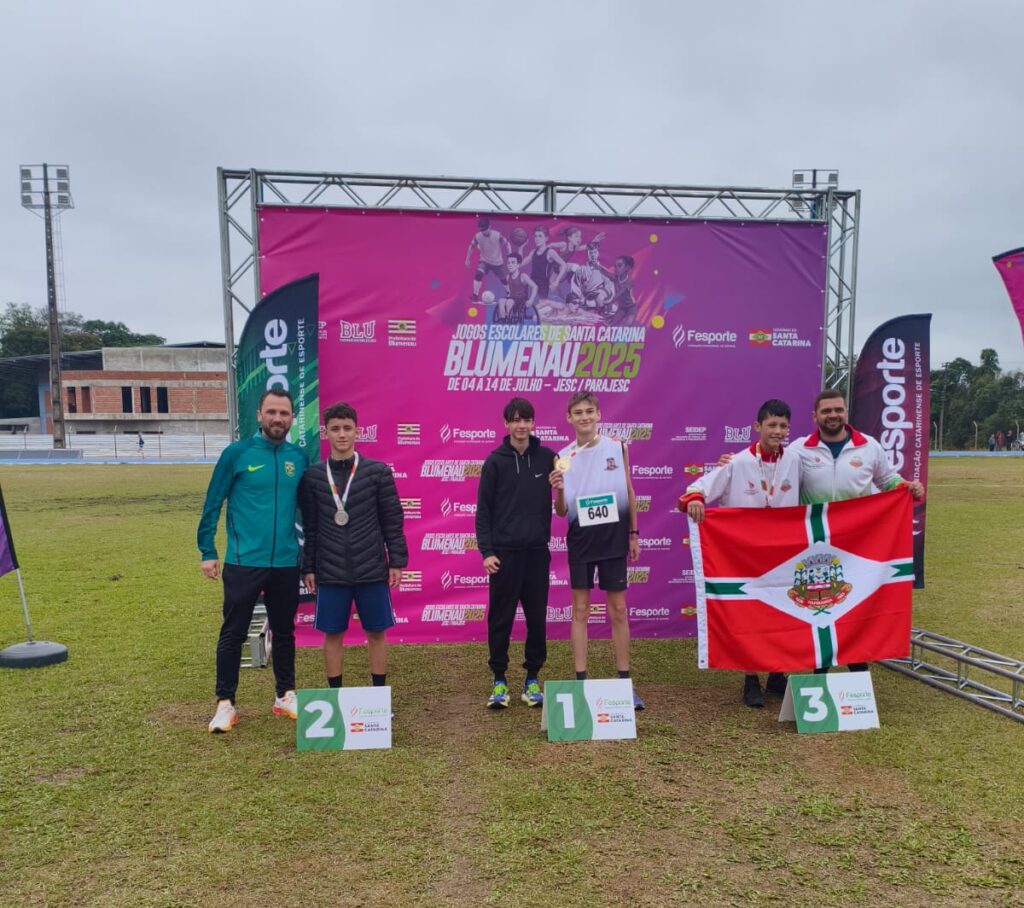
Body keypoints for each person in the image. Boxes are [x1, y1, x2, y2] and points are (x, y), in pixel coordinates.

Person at [198, 388, 307, 734]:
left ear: (292, 418)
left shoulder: (298, 458)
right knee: (233, 631)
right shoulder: (237, 454)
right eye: (271, 412)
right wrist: (207, 550)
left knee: (286, 631)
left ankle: (284, 695)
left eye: (284, 413)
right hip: (244, 560)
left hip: (286, 561)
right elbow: (213, 503)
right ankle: (225, 704)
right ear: (259, 415)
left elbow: (311, 509)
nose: (278, 419)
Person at [678, 399, 801, 707]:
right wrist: (695, 498)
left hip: (785, 553)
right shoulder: (738, 462)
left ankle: (777, 673)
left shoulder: (797, 459)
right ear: (757, 427)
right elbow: (701, 486)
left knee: (783, 613)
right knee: (751, 616)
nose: (777, 431)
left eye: (783, 425)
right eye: (771, 425)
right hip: (746, 556)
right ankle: (750, 679)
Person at [795, 388, 924, 673]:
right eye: (826, 411)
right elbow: (774, 468)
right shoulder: (800, 449)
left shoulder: (869, 446)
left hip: (857, 543)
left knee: (853, 604)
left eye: (838, 410)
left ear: (846, 412)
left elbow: (888, 480)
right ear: (815, 416)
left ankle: (858, 668)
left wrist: (908, 488)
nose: (833, 415)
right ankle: (820, 670)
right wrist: (733, 463)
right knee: (823, 605)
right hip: (817, 544)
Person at [298, 402, 407, 692]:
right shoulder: (313, 477)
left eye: (347, 428)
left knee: (376, 633)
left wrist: (395, 561)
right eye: (335, 429)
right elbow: (310, 526)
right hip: (330, 571)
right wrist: (308, 566)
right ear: (326, 433)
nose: (342, 434)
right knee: (332, 635)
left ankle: (379, 696)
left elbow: (392, 521)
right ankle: (335, 698)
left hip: (371, 568)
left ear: (358, 431)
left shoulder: (378, 472)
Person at [549, 392, 645, 709]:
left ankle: (625, 684)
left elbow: (629, 489)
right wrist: (559, 490)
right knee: (580, 610)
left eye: (590, 411)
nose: (585, 417)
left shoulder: (618, 447)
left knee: (618, 609)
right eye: (578, 412)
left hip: (614, 538)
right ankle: (580, 683)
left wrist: (633, 533)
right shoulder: (563, 457)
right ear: (569, 418)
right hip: (581, 540)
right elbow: (562, 511)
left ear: (599, 414)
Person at [475, 398, 557, 709]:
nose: (521, 425)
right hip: (504, 556)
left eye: (527, 420)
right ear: (506, 423)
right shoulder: (494, 462)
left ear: (534, 423)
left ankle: (532, 677)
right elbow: (483, 512)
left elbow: (564, 498)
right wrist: (487, 552)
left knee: (537, 618)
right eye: (515, 420)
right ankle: (499, 680)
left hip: (537, 553)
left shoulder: (549, 458)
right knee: (500, 619)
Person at [465, 216, 511, 303]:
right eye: (481, 230)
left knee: (503, 279)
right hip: (484, 261)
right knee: (478, 274)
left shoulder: (497, 235)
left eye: (485, 229)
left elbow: (507, 244)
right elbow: (471, 246)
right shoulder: (478, 236)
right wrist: (467, 259)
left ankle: (509, 294)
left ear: (489, 226)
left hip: (497, 262)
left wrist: (510, 256)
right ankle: (475, 295)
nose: (483, 232)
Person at [497, 252, 539, 324]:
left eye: (513, 263)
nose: (510, 265)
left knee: (509, 302)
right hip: (511, 298)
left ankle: (510, 321)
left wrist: (531, 300)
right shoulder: (508, 277)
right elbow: (508, 291)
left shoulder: (523, 276)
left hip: (521, 300)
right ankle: (504, 320)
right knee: (501, 301)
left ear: (518, 265)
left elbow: (535, 286)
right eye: (509, 263)